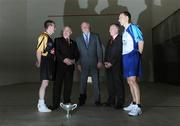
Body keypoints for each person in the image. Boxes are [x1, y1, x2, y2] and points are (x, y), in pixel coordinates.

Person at [119, 11, 144, 116]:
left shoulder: (133, 27)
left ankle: (138, 107)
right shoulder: (124, 31)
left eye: (120, 17)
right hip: (126, 57)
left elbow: (141, 41)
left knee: (133, 81)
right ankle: (134, 103)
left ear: (126, 17)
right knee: (129, 81)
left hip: (133, 56)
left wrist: (138, 54)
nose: (118, 19)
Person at [51, 26, 79, 110]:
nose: (66, 31)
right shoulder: (57, 40)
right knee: (57, 86)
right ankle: (55, 104)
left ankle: (67, 102)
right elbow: (56, 52)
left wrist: (73, 60)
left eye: (68, 30)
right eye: (64, 30)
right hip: (59, 67)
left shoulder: (74, 43)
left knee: (68, 86)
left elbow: (77, 54)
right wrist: (64, 59)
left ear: (71, 32)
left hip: (70, 67)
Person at [76, 22, 103, 106]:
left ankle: (97, 100)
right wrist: (78, 63)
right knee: (83, 82)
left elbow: (99, 49)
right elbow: (77, 53)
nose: (85, 28)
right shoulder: (78, 39)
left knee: (96, 82)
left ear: (89, 27)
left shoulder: (95, 36)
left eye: (86, 26)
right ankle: (82, 99)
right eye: (83, 26)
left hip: (94, 63)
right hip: (83, 64)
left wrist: (100, 61)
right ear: (81, 28)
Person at [36, 20, 56, 112]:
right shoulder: (43, 36)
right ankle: (41, 105)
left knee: (46, 83)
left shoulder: (48, 37)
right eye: (53, 27)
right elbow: (38, 51)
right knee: (44, 83)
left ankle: (41, 104)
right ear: (49, 26)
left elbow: (46, 49)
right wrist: (40, 62)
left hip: (48, 62)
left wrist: (51, 52)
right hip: (45, 62)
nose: (55, 29)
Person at [104, 24, 124, 109]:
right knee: (110, 84)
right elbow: (107, 52)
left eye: (111, 28)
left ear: (117, 29)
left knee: (118, 84)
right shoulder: (110, 40)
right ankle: (111, 100)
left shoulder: (121, 39)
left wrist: (111, 63)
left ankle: (120, 102)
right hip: (108, 66)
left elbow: (119, 53)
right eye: (109, 29)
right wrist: (105, 62)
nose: (109, 30)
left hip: (117, 66)